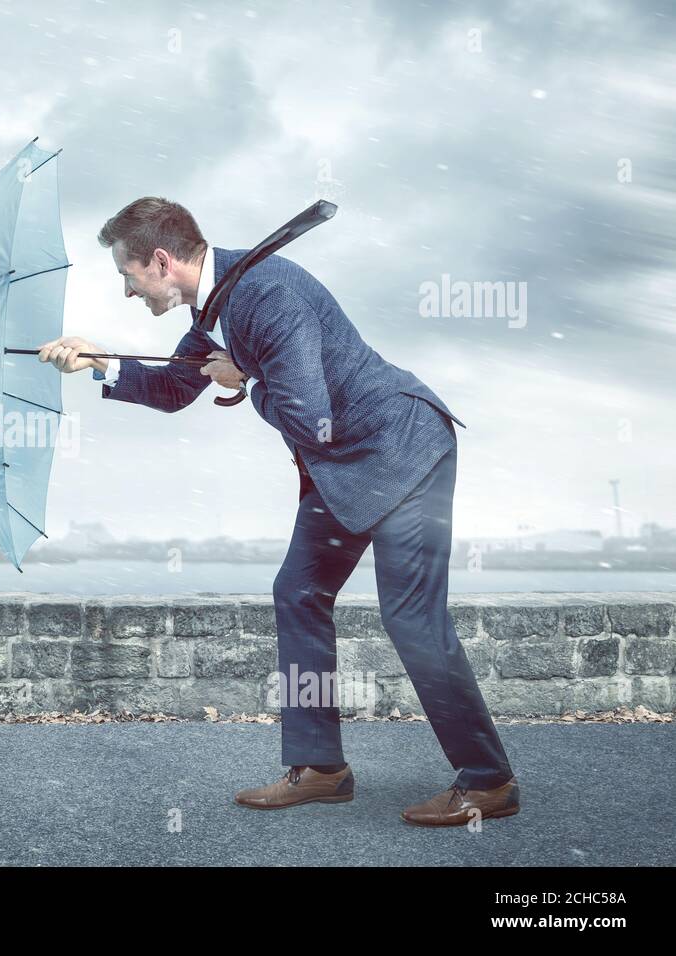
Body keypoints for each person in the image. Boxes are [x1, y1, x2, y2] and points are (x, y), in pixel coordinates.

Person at [37, 196, 518, 827]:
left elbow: (310, 421)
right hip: (343, 469)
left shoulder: (266, 294)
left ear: (160, 261)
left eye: (126, 277)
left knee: (410, 619)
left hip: (403, 453)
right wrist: (101, 365)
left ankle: (488, 783)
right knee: (298, 592)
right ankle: (320, 768)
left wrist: (247, 383)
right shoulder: (214, 307)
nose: (128, 293)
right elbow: (177, 387)